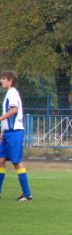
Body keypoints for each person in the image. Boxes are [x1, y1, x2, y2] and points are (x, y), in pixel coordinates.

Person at [0, 71, 32, 201]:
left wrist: (0, 118)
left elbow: (14, 110)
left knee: (16, 162)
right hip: (8, 133)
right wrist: (3, 131)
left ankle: (27, 194)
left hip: (15, 132)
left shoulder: (12, 92)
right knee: (1, 161)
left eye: (3, 78)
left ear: (10, 80)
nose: (1, 81)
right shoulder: (9, 93)